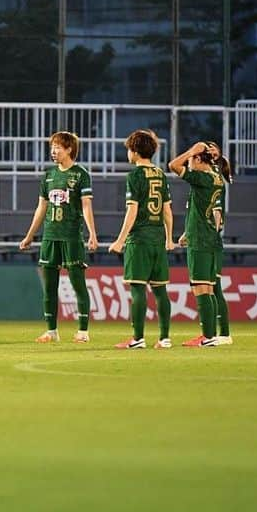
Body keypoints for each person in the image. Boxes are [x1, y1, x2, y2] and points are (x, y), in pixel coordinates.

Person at [19, 131, 99, 344]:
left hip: (71, 237)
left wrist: (92, 233)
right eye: (52, 147)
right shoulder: (48, 175)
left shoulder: (81, 174)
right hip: (50, 237)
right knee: (49, 286)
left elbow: (86, 206)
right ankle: (51, 331)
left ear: (69, 149)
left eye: (58, 148)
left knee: (78, 284)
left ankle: (83, 331)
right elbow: (41, 208)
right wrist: (29, 236)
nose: (53, 151)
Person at [108, 129, 175, 350]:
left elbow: (132, 210)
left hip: (139, 239)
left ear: (135, 152)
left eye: (129, 149)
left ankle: (138, 338)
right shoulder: (160, 174)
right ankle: (164, 338)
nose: (128, 153)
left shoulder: (135, 176)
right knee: (160, 290)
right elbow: (167, 211)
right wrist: (169, 238)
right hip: (157, 238)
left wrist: (120, 240)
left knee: (137, 288)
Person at [169, 141, 225, 347]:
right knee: (208, 288)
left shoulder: (202, 178)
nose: (190, 162)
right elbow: (202, 209)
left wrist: (190, 151)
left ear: (199, 159)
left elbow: (173, 165)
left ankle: (208, 336)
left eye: (193, 159)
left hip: (201, 240)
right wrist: (186, 232)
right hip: (206, 236)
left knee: (201, 288)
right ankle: (209, 335)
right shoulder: (217, 177)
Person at [206, 141, 234, 345]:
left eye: (212, 148)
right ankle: (217, 333)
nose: (209, 151)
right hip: (206, 235)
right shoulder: (212, 177)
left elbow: (216, 209)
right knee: (211, 286)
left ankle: (223, 333)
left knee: (213, 286)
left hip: (210, 239)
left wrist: (214, 230)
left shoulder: (213, 178)